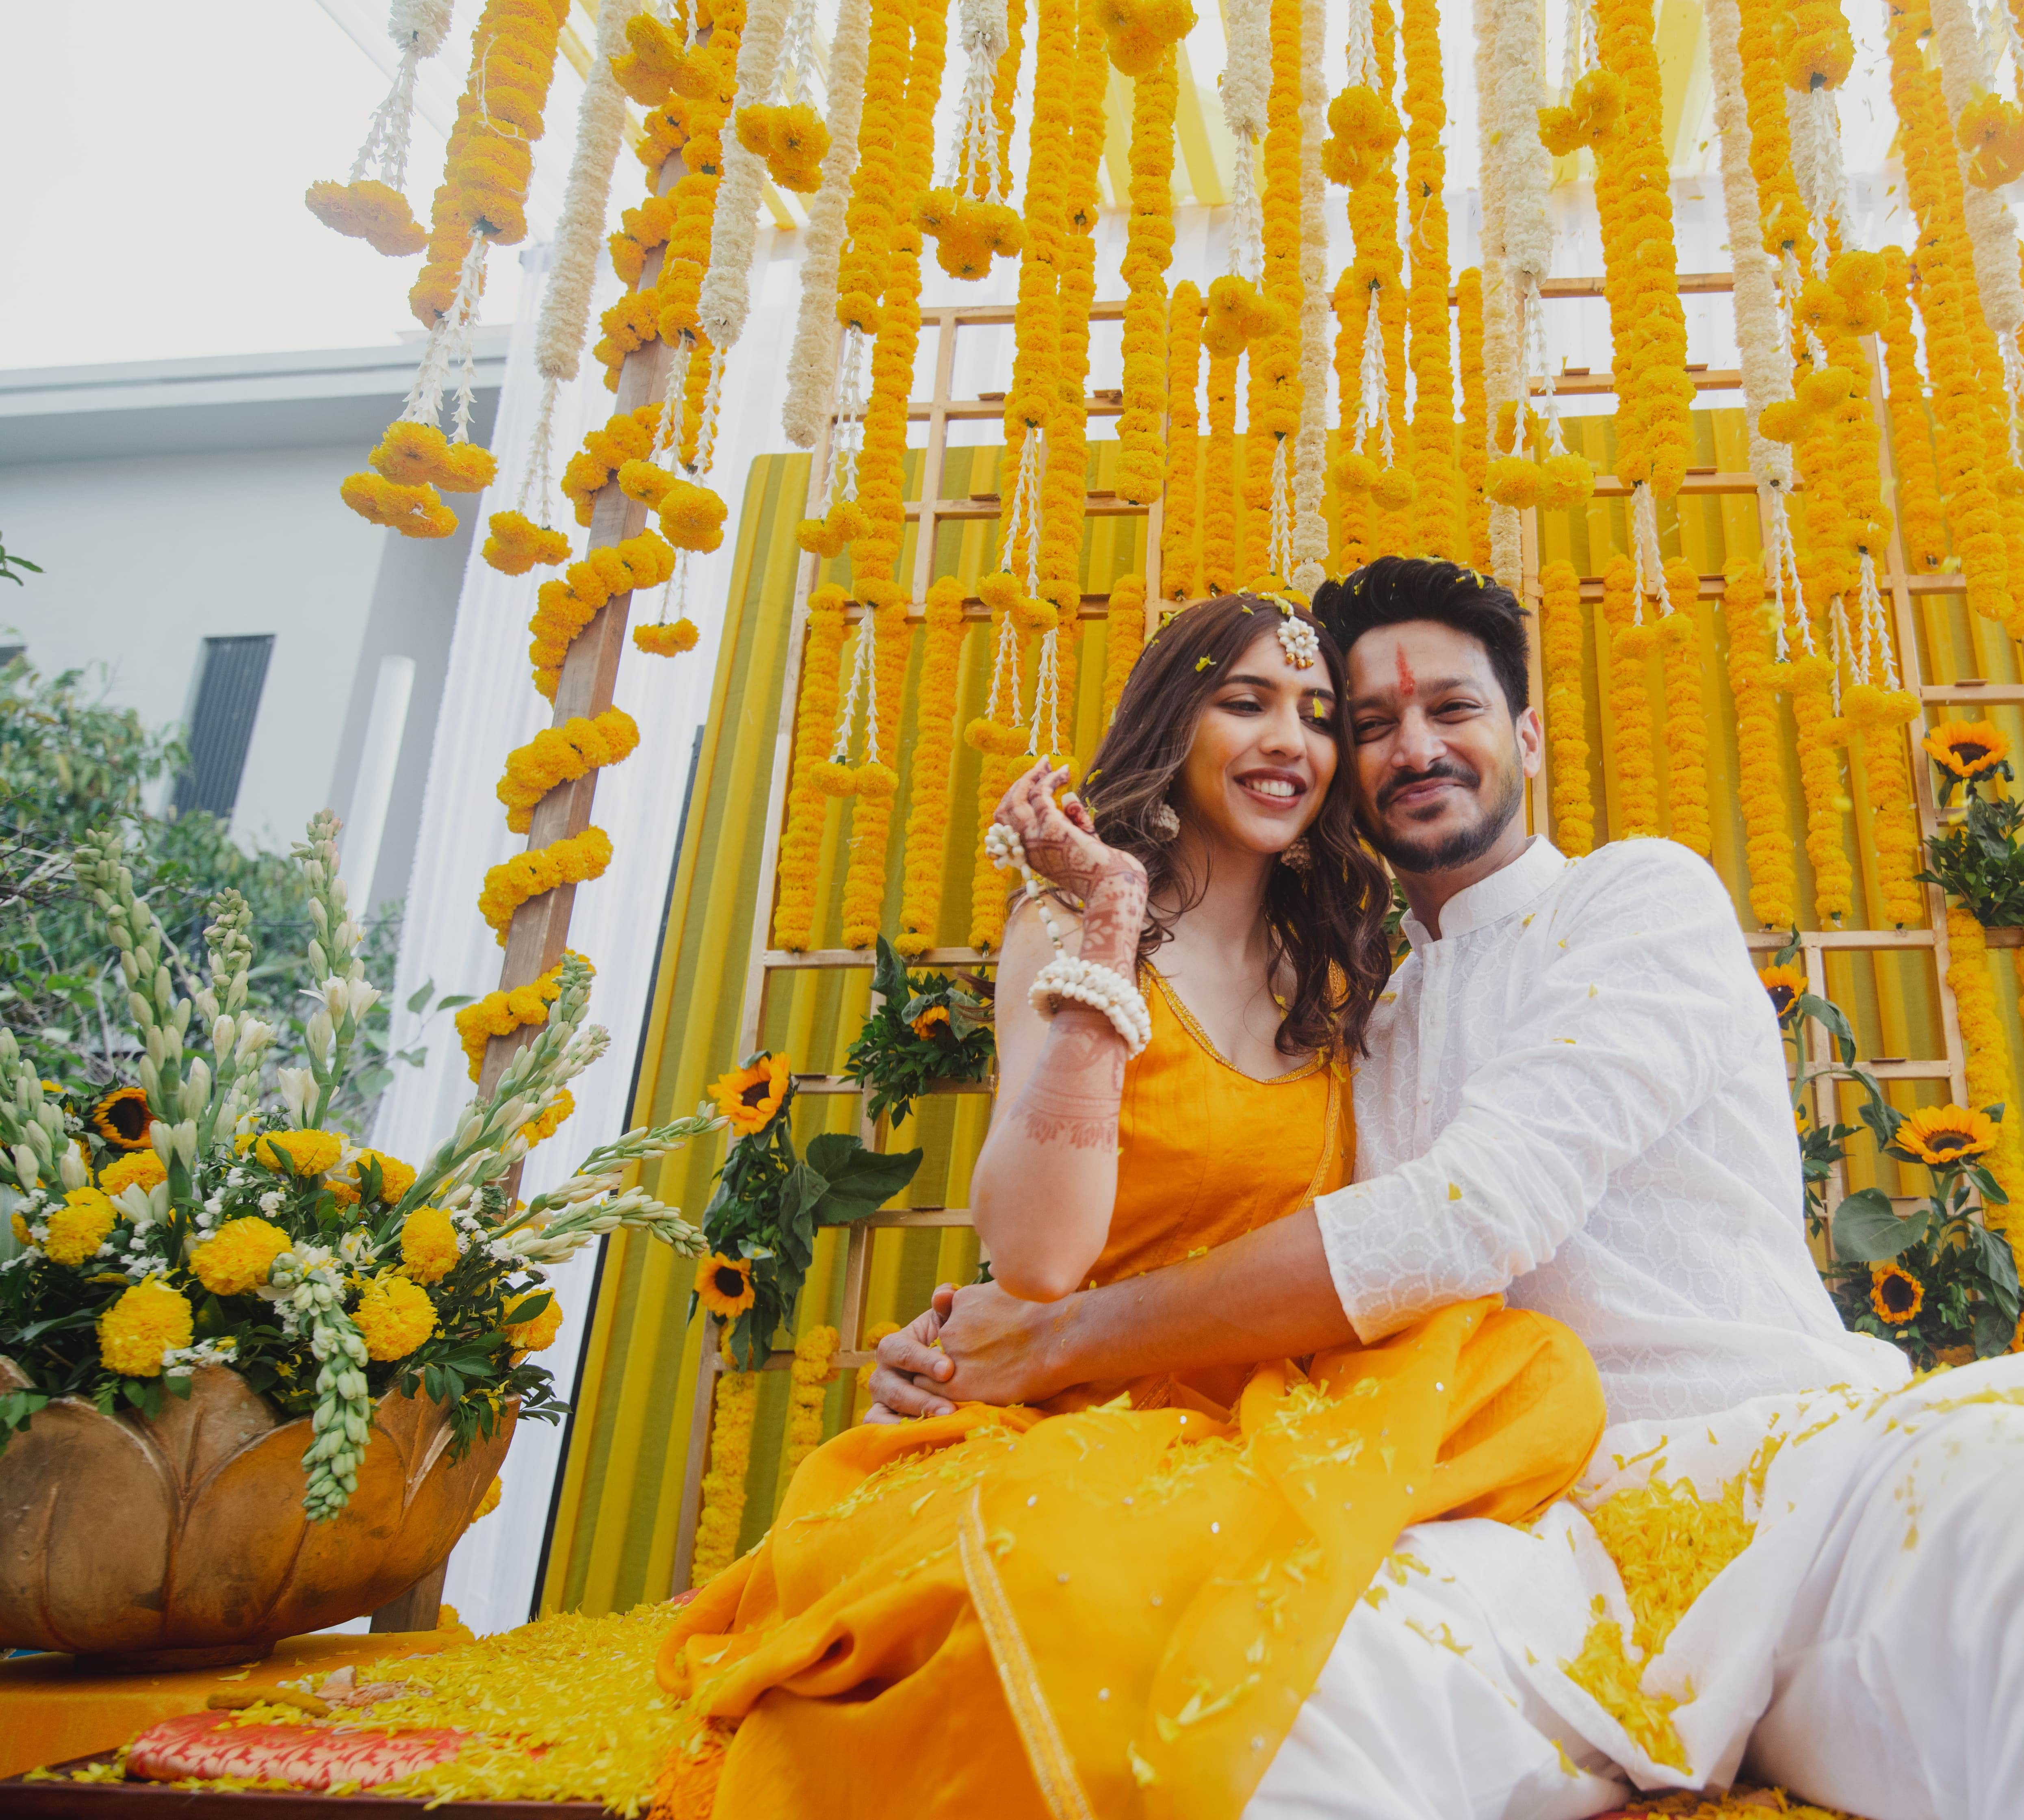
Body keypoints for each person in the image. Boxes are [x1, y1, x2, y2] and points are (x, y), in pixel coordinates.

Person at [876, 556, 2024, 1820]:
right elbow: (1180, 1223)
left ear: (1526, 734)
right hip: (1521, 1540)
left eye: (1448, 710)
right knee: (1249, 1730)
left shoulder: (1637, 897)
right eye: (1369, 725)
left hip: (1802, 1485)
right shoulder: (1352, 1015)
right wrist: (972, 1345)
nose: (1406, 748)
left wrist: (1055, 1342)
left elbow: (1467, 1218)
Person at [657, 593, 1609, 1820]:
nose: (1293, 742)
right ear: (1176, 721)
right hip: (1090, 1398)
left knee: (1536, 1370)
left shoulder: (1346, 965)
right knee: (1043, 1571)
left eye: (1321, 717)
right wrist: (1110, 920)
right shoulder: (1071, 925)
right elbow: (1041, 1262)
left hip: (1276, 1386)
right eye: (1247, 702)